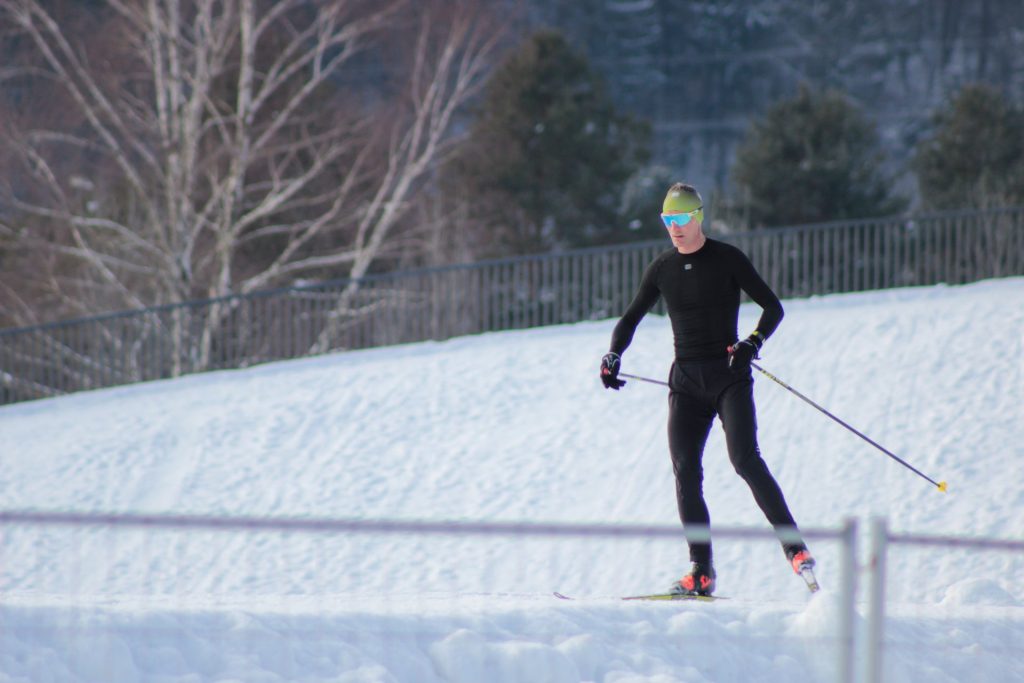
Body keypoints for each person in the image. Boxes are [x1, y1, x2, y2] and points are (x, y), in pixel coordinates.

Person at [599, 182, 814, 597]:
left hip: (729, 376)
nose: (674, 228)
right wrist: (613, 354)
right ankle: (701, 570)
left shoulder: (727, 258)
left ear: (698, 217)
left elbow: (773, 307)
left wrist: (752, 343)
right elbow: (630, 318)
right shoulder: (661, 268)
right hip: (685, 383)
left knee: (745, 460)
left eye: (681, 219)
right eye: (667, 220)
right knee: (685, 471)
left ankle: (795, 548)